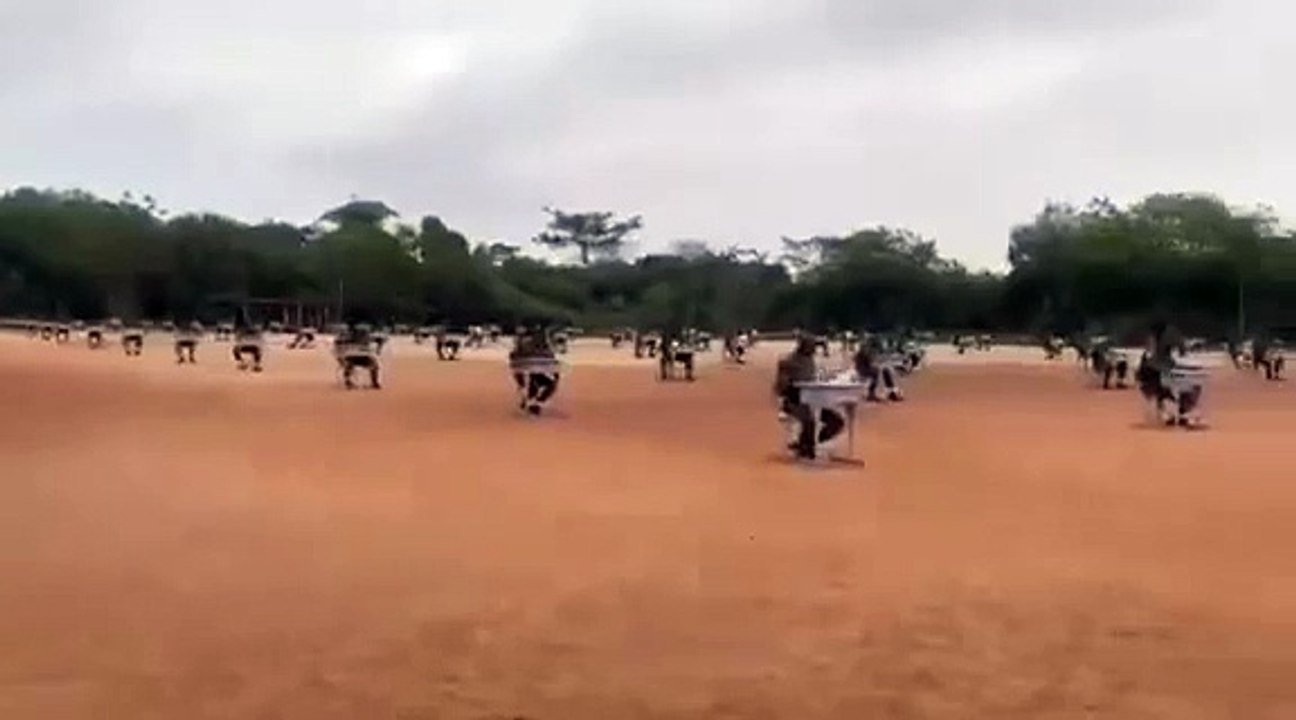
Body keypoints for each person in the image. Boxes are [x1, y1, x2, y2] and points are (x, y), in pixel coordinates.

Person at [775, 336, 845, 460]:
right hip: (794, 401)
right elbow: (780, 388)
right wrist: (789, 383)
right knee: (809, 420)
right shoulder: (789, 362)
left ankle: (812, 444)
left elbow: (813, 379)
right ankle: (806, 449)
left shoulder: (810, 361)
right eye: (812, 346)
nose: (814, 350)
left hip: (814, 401)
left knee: (837, 421)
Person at [510, 325, 560, 415]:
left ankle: (533, 401)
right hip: (535, 367)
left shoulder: (532, 343)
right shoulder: (527, 343)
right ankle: (534, 402)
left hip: (537, 367)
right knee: (546, 383)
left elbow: (514, 357)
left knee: (539, 383)